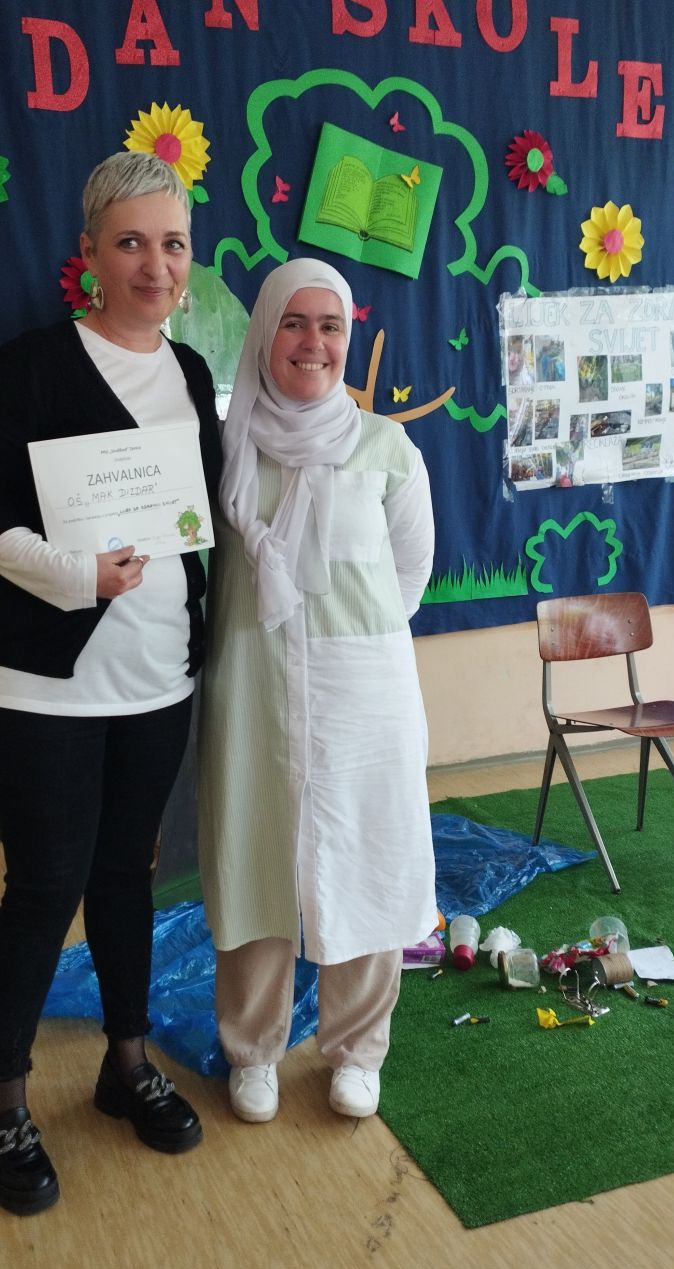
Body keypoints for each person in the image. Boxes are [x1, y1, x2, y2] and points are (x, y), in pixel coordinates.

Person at [0, 151, 221, 1215]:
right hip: (41, 685)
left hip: (155, 679)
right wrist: (73, 575)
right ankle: (3, 1100)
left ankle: (126, 1060)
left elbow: (200, 519)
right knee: (44, 882)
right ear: (90, 255)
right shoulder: (29, 365)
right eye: (131, 243)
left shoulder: (190, 374)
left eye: (172, 243)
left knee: (125, 876)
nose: (155, 265)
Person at [198, 259, 437, 1124]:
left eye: (330, 326)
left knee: (367, 857)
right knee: (253, 856)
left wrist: (347, 638)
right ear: (265, 334)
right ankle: (254, 1051)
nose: (313, 343)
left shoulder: (386, 448)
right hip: (252, 686)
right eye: (294, 324)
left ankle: (357, 1050)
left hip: (363, 693)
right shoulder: (226, 448)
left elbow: (410, 574)